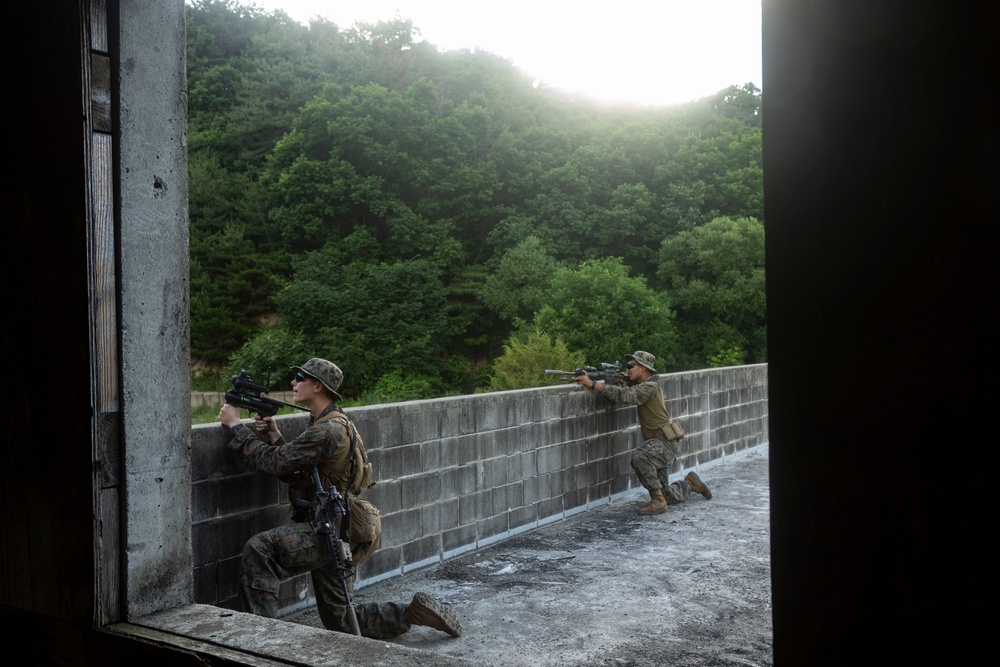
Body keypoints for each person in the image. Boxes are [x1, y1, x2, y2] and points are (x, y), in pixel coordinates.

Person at [218, 357, 462, 638]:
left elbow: (276, 464)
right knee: (341, 619)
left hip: (330, 530)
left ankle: (257, 638)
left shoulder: (327, 430)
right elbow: (299, 471)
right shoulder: (332, 421)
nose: (293, 382)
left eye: (301, 378)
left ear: (318, 386)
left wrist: (236, 427)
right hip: (339, 526)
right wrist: (275, 436)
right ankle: (409, 613)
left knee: (260, 549)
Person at [574, 350, 713, 515]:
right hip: (661, 443)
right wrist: (619, 385)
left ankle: (658, 501)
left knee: (640, 457)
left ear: (643, 368)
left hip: (664, 443)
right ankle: (689, 483)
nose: (627, 370)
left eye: (631, 366)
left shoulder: (650, 386)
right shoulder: (644, 387)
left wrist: (592, 384)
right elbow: (622, 395)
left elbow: (626, 396)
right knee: (668, 495)